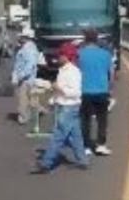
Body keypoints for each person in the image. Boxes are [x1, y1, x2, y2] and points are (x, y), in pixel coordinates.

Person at [32, 43, 88, 174]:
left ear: (67, 56)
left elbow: (76, 92)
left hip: (69, 106)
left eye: (61, 55)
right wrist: (53, 100)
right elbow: (59, 90)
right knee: (75, 136)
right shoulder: (63, 70)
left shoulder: (74, 72)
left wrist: (59, 88)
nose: (58, 58)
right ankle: (82, 160)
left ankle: (46, 162)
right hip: (64, 105)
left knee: (58, 135)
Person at [77, 29, 114, 155]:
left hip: (84, 90)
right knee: (102, 118)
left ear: (85, 39)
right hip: (101, 90)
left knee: (85, 119)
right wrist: (110, 89)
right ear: (97, 39)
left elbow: (75, 72)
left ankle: (86, 146)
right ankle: (101, 144)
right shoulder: (106, 54)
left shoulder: (79, 54)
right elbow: (111, 74)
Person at [11, 32, 42, 124]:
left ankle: (23, 118)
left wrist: (21, 76)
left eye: (21, 36)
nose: (19, 38)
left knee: (23, 100)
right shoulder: (28, 48)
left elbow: (30, 65)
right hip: (27, 78)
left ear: (26, 37)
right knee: (30, 97)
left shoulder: (28, 49)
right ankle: (38, 109)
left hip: (26, 79)